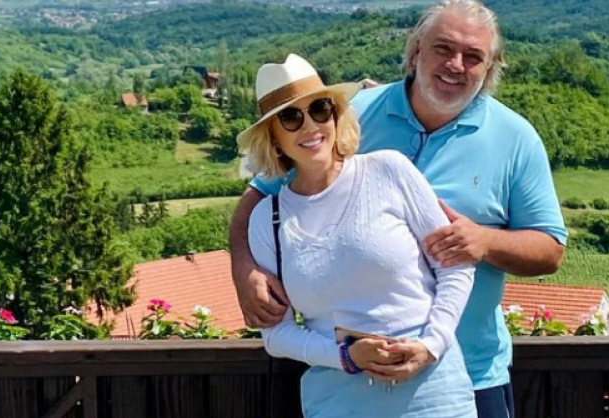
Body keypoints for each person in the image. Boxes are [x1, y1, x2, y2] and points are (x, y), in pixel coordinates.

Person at [230, 1, 568, 417]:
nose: (455, 65)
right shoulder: (346, 115)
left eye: (473, 56)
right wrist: (244, 267)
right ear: (416, 50)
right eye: (443, 48)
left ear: (490, 68)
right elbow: (260, 197)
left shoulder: (516, 138)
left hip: (469, 373)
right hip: (346, 387)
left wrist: (484, 243)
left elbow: (551, 250)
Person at [238, 53, 478, 417]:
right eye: (290, 117)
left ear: (336, 115)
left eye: (319, 109)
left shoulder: (390, 171)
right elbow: (276, 336)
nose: (310, 126)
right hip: (338, 403)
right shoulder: (266, 221)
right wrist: (346, 357)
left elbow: (455, 266)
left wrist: (431, 345)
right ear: (272, 137)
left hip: (436, 396)